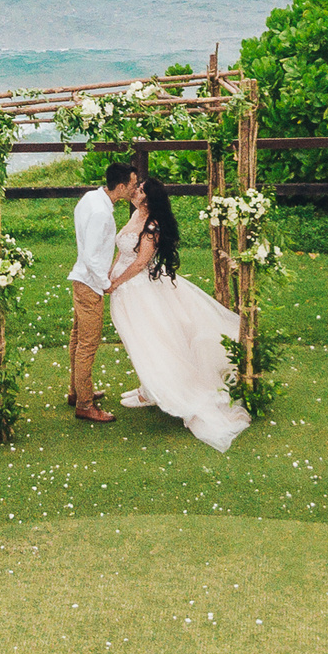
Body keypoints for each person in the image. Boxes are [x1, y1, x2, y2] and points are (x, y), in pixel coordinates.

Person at [105, 176, 253, 452]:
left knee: (150, 338)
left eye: (139, 190)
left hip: (138, 289)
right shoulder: (136, 214)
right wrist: (109, 273)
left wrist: (116, 282)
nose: (135, 191)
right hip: (125, 286)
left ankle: (160, 390)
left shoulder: (152, 226)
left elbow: (140, 262)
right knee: (137, 338)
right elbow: (122, 250)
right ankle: (147, 388)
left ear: (147, 199)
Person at [66, 161, 144, 422]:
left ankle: (76, 391)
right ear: (121, 186)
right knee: (87, 344)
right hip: (89, 283)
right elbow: (90, 254)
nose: (134, 189)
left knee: (77, 339)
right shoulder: (102, 213)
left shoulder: (91, 198)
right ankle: (85, 405)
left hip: (81, 279)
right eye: (132, 184)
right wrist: (105, 282)